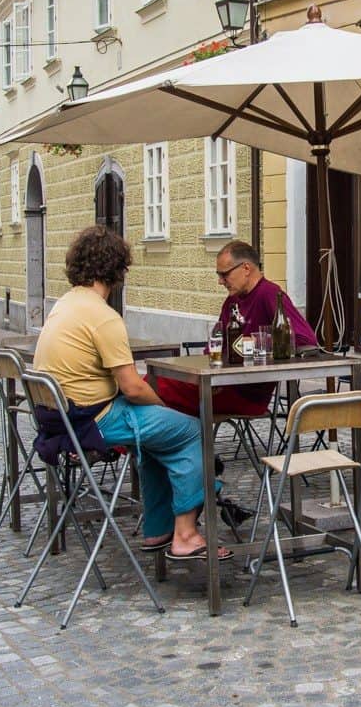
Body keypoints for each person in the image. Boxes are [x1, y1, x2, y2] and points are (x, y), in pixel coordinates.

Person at [34, 226, 230, 561]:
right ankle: (184, 533)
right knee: (191, 429)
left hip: (59, 419)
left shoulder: (64, 304)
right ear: (117, 269)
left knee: (157, 437)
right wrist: (165, 405)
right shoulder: (102, 316)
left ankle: (158, 528)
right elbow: (133, 388)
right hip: (91, 420)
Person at [156, 240, 317, 417]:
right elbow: (214, 344)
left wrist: (259, 341)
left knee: (152, 386)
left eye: (224, 275)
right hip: (219, 383)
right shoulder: (232, 301)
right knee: (150, 385)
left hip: (246, 394)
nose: (220, 282)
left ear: (246, 269)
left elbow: (306, 340)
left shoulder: (269, 293)